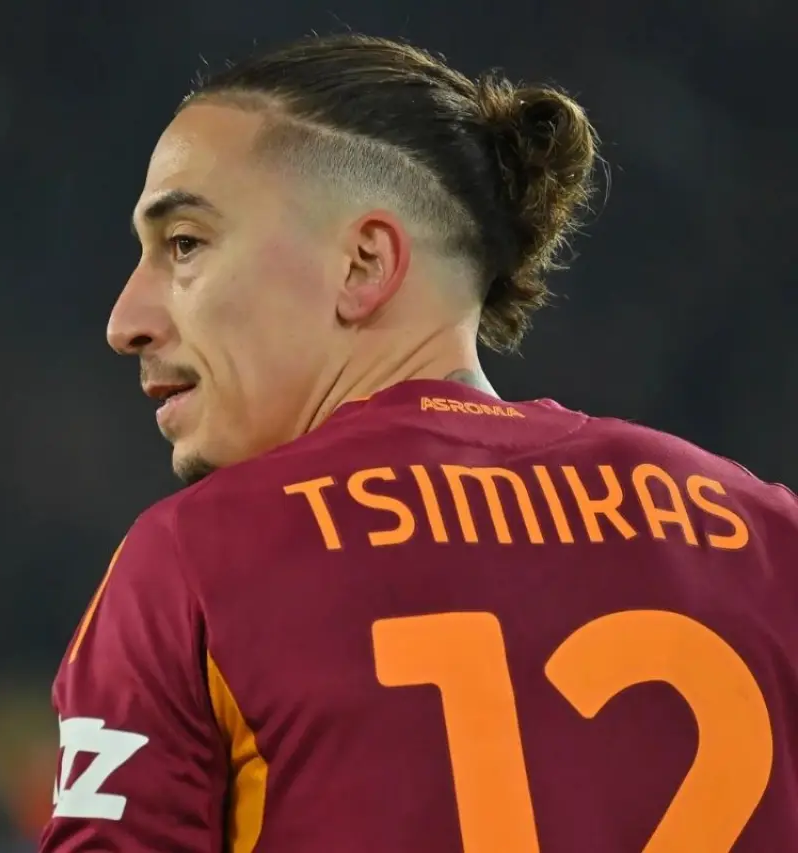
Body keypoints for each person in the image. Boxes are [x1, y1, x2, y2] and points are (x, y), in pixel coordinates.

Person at [39, 33, 798, 852]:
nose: (125, 321)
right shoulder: (767, 538)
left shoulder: (197, 561)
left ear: (364, 264)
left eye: (185, 243)